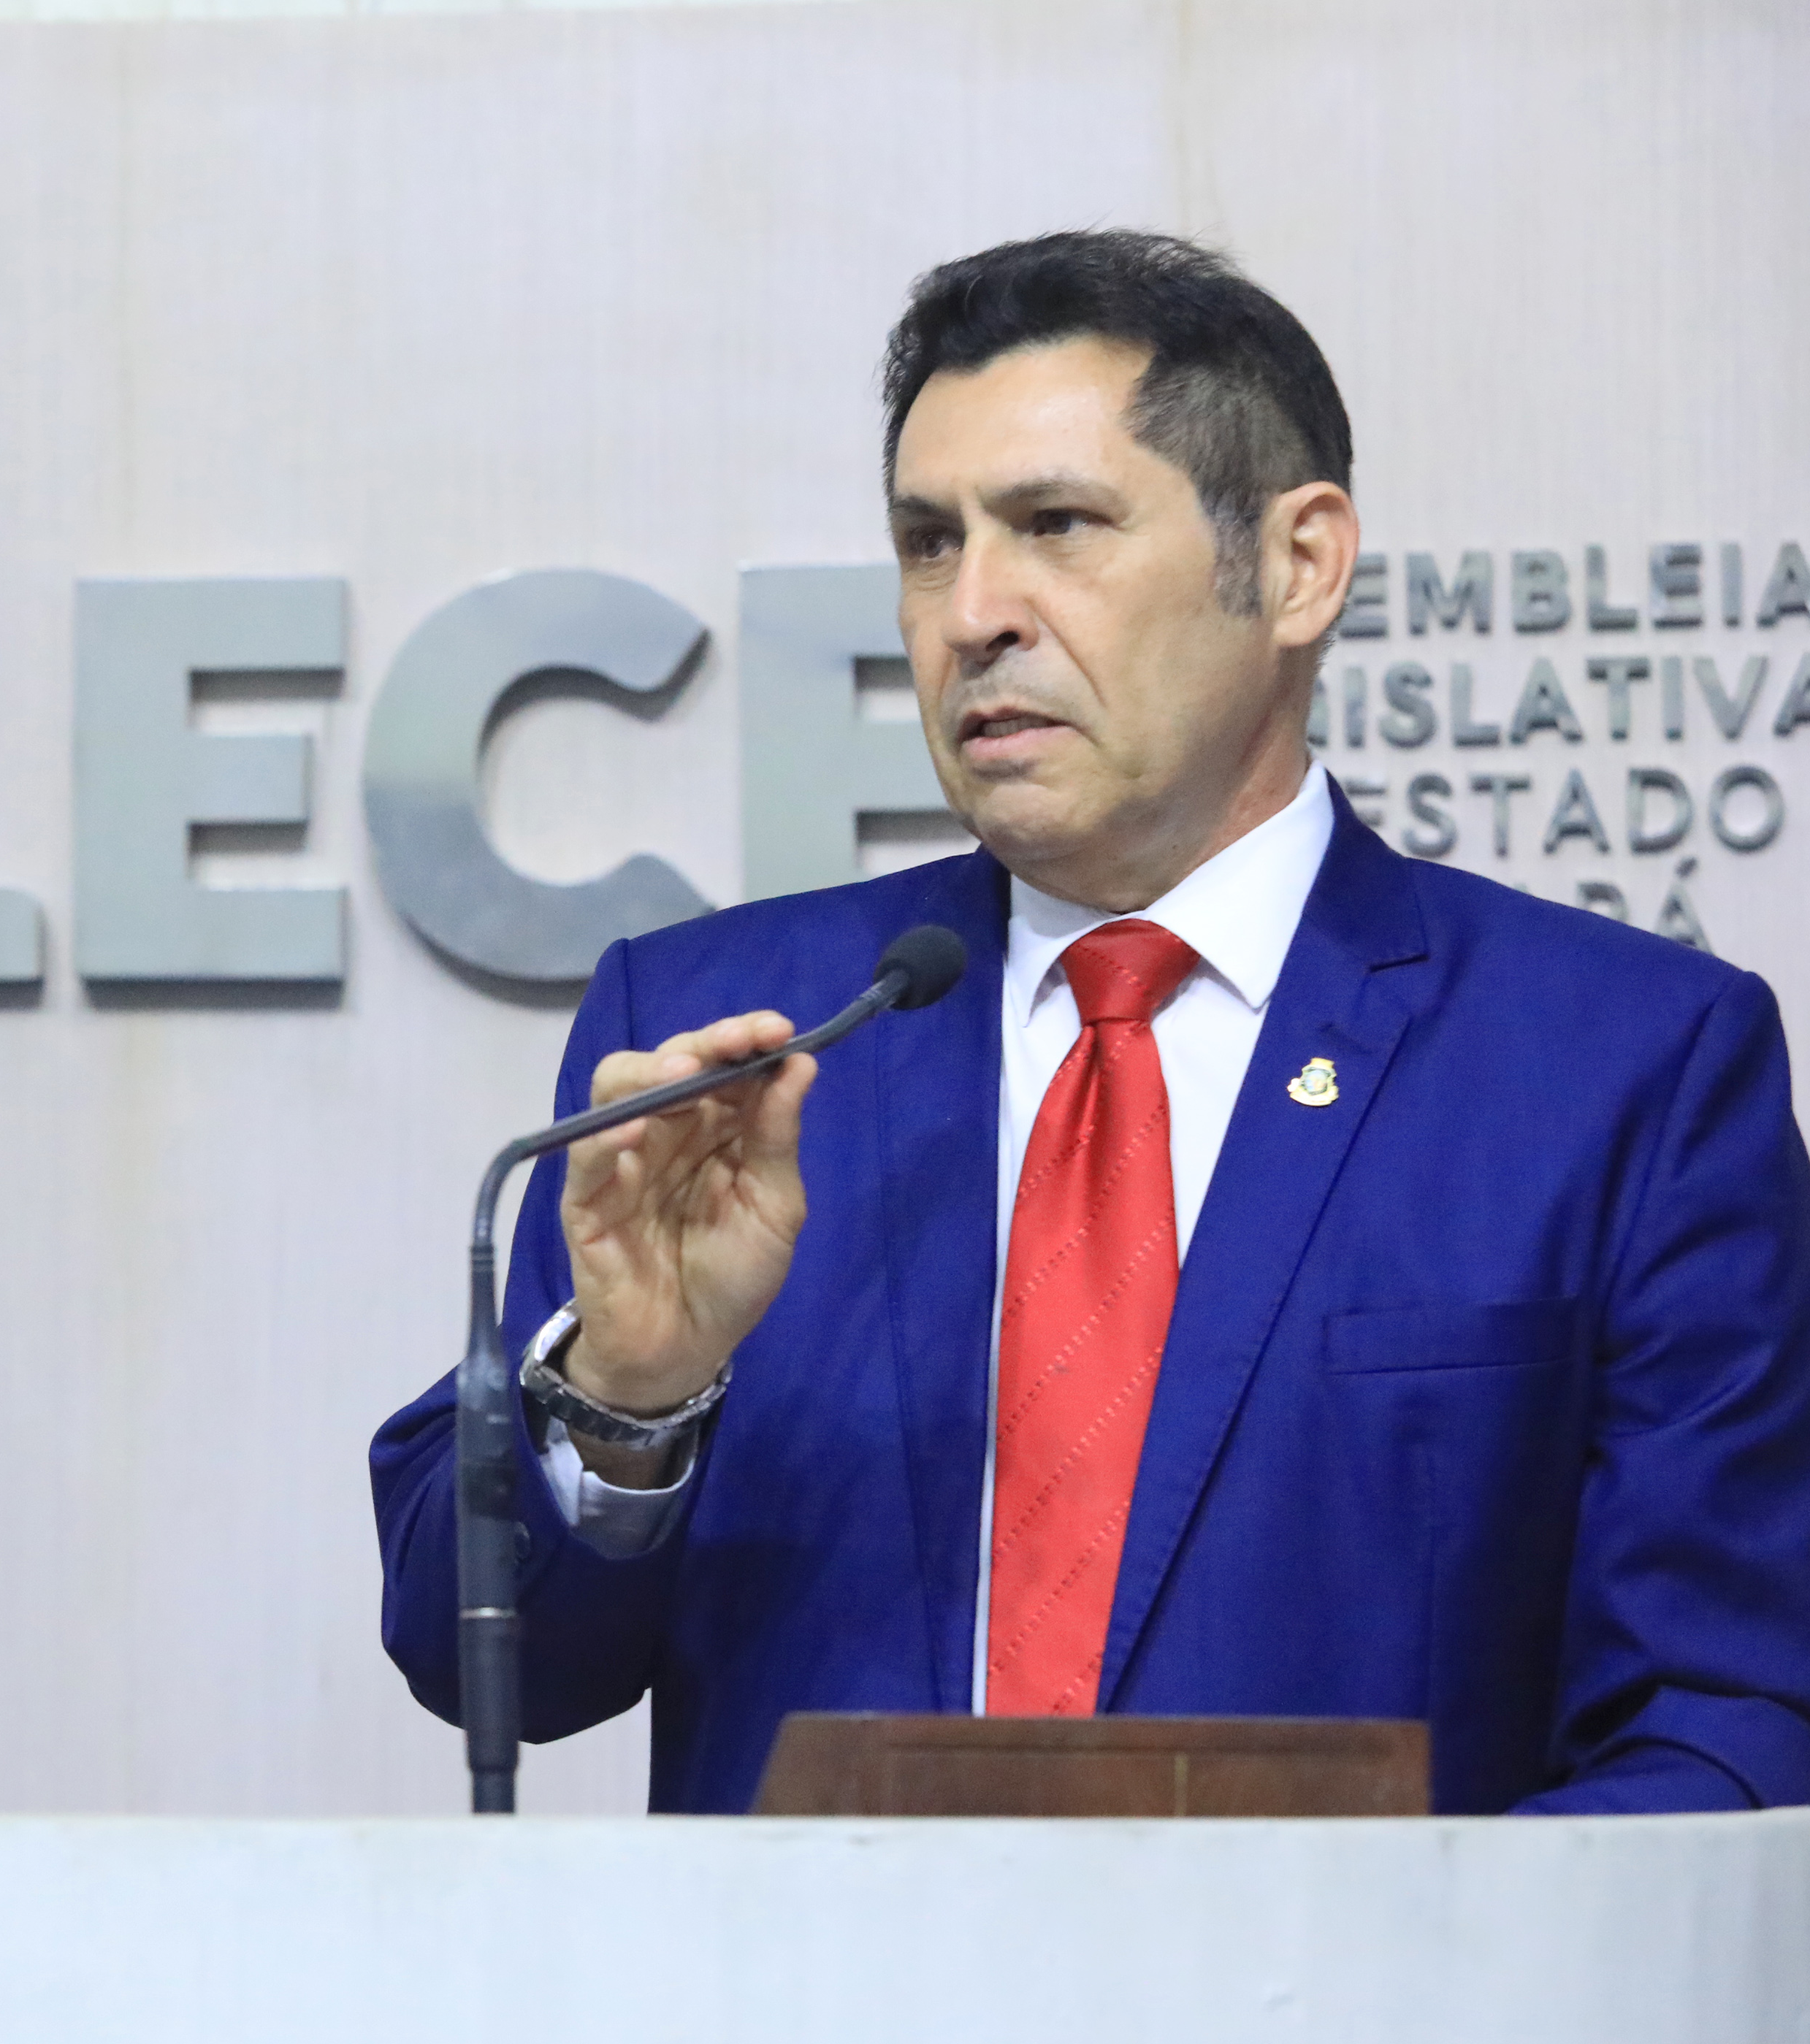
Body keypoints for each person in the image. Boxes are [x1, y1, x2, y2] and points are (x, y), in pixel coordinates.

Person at [370, 229, 1810, 1815]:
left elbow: (1727, 1718)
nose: (974, 612)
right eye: (930, 543)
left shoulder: (1621, 1068)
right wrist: (629, 1394)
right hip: (819, 1985)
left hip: (1368, 1982)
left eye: (1057, 525)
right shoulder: (743, 1043)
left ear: (1300, 565)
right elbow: (474, 1656)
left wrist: (1398, 1958)